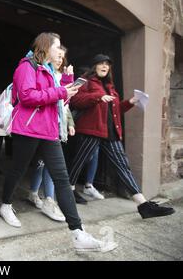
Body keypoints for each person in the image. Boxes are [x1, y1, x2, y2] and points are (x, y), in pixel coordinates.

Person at [0, 33, 117, 252]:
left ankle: (78, 233)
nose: (59, 50)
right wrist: (60, 89)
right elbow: (27, 96)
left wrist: (65, 84)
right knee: (18, 169)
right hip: (29, 129)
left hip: (49, 131)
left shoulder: (52, 72)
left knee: (62, 179)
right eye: (56, 46)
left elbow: (59, 101)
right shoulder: (27, 67)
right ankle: (5, 205)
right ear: (45, 46)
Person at [68, 54, 175, 219]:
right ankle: (70, 190)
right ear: (94, 66)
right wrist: (97, 97)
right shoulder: (86, 81)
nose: (105, 66)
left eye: (107, 64)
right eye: (101, 64)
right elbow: (75, 100)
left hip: (111, 132)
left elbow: (115, 110)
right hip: (92, 130)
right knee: (80, 160)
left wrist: (130, 102)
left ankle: (143, 205)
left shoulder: (110, 86)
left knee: (123, 166)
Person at [28, 45, 75, 222]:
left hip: (56, 128)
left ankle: (48, 199)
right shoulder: (44, 73)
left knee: (50, 166)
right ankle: (33, 192)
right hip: (42, 127)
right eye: (58, 55)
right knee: (40, 165)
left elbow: (66, 105)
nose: (59, 59)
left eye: (62, 57)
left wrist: (70, 123)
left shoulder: (62, 78)